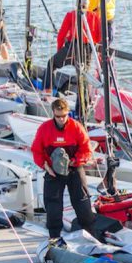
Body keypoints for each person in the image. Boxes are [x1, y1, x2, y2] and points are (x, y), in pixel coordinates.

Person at [31, 98, 98, 245]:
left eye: (64, 116)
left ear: (68, 113)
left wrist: (75, 161)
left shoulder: (77, 127)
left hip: (74, 169)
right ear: (53, 114)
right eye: (58, 116)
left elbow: (86, 150)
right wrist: (46, 167)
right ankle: (54, 237)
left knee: (82, 202)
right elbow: (36, 151)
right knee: (53, 205)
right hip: (53, 171)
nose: (61, 119)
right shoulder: (44, 129)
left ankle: (91, 235)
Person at [42, 5, 102, 93]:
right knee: (83, 74)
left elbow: (61, 35)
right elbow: (98, 37)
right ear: (88, 5)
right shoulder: (95, 17)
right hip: (86, 49)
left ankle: (47, 90)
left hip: (71, 48)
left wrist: (59, 50)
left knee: (51, 63)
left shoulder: (71, 14)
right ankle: (83, 98)